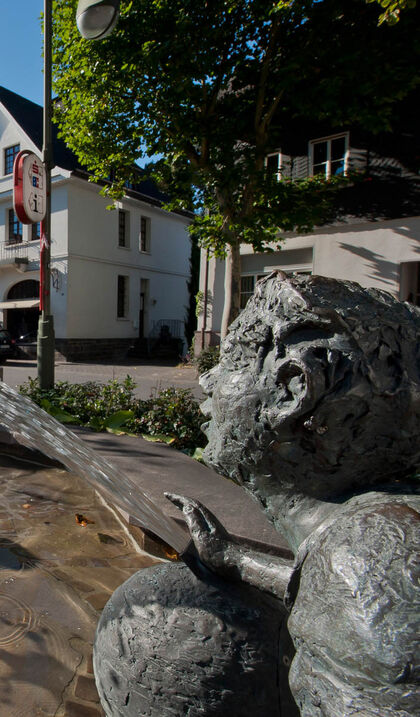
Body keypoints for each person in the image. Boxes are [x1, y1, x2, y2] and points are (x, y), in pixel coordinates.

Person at [176, 272, 419, 716]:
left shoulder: (371, 555)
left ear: (292, 391)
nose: (209, 380)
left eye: (230, 361)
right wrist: (235, 560)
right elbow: (334, 604)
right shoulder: (367, 539)